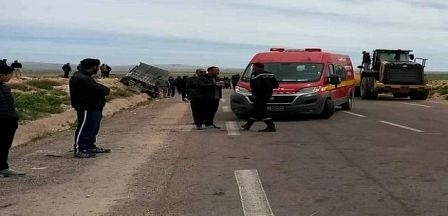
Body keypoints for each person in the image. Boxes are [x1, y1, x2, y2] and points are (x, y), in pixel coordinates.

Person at [69, 58, 111, 158]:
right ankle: (79, 149)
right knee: (84, 128)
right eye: (97, 67)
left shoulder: (85, 77)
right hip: (86, 107)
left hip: (93, 107)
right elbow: (100, 90)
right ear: (94, 67)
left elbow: (100, 88)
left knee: (92, 128)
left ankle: (89, 146)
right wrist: (104, 90)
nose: (98, 69)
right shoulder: (82, 78)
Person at [0, 65, 26, 176]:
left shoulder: (5, 88)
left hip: (9, 122)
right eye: (10, 74)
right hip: (2, 122)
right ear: (2, 75)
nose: (11, 76)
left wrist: (14, 118)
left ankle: (3, 168)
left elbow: (10, 105)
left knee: (5, 146)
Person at [241, 63, 278, 132]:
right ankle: (248, 125)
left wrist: (255, 95)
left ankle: (271, 126)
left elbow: (255, 86)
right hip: (268, 94)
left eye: (253, 67)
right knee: (256, 110)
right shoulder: (270, 74)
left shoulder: (255, 75)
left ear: (255, 67)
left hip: (259, 95)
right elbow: (276, 85)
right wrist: (268, 88)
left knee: (262, 110)